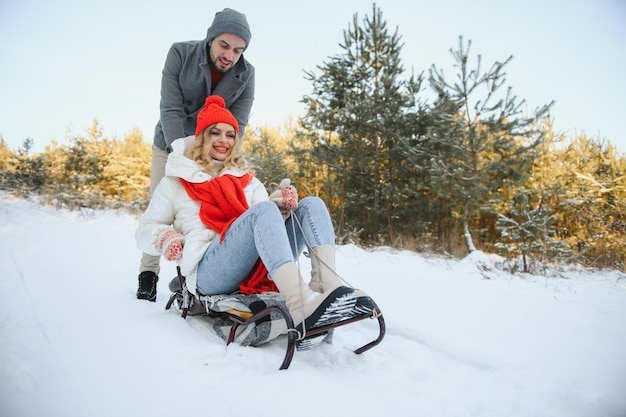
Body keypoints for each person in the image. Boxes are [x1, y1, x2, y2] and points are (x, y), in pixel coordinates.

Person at [135, 96, 374, 336]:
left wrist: (279, 207)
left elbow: (263, 226)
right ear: (201, 137)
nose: (223, 141)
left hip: (255, 264)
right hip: (209, 271)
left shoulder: (247, 180)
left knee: (312, 204)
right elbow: (144, 229)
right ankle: (300, 306)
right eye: (215, 133)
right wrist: (163, 238)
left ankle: (326, 289)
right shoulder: (176, 181)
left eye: (230, 135)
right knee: (263, 211)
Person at [137, 8, 255, 301]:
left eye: (238, 50)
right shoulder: (180, 53)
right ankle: (148, 272)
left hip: (213, 153)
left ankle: (195, 275)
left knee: (206, 212)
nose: (229, 55)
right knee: (161, 205)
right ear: (211, 39)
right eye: (224, 46)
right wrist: (182, 151)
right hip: (171, 143)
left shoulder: (246, 74)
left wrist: (225, 155)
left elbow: (237, 124)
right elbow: (170, 107)